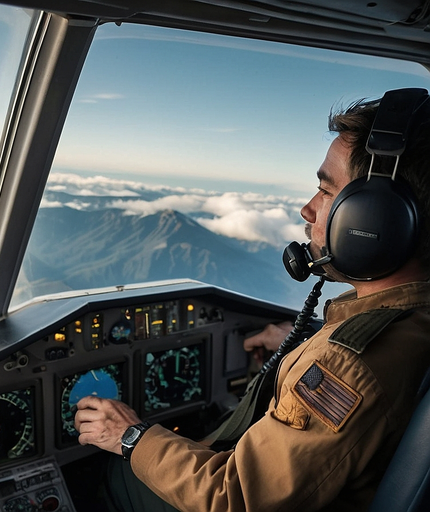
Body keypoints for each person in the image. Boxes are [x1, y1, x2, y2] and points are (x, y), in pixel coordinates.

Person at [75, 89, 430, 511]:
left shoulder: (344, 367)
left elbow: (234, 498)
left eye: (327, 191)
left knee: (116, 472)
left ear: (374, 222)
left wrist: (129, 435)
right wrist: (303, 340)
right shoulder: (411, 319)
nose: (307, 209)